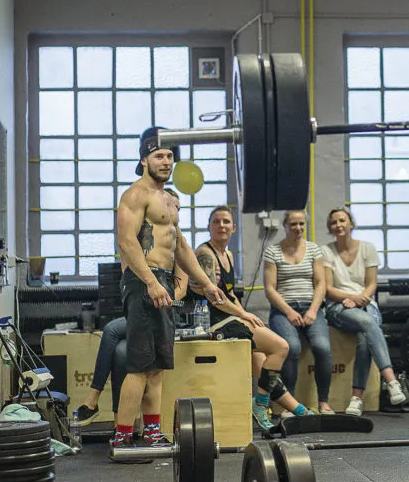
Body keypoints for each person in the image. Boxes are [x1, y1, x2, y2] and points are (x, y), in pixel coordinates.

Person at [112, 128, 225, 453]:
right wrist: (149, 281)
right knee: (139, 365)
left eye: (170, 156)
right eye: (159, 155)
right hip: (143, 281)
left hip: (161, 280)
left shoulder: (167, 200)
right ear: (144, 158)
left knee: (157, 366)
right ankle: (120, 439)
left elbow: (179, 246)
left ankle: (151, 433)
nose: (165, 161)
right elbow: (127, 242)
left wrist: (205, 282)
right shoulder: (136, 194)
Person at [191, 206, 313, 430]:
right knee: (281, 347)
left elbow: (228, 294)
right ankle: (260, 405)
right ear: (209, 227)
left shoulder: (227, 255)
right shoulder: (205, 254)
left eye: (226, 221)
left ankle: (299, 411)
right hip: (211, 321)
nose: (221, 226)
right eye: (216, 222)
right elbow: (215, 298)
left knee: (262, 364)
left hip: (228, 316)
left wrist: (248, 316)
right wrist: (243, 314)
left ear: (234, 228)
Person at [75, 188, 189, 427]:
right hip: (143, 303)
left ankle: (99, 403)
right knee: (118, 349)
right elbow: (128, 260)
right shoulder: (142, 240)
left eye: (177, 208)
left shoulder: (176, 245)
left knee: (117, 338)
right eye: (170, 207)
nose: (173, 212)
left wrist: (167, 298)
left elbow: (181, 288)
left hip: (165, 307)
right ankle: (121, 427)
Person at [321, 207, 406, 416]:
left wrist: (360, 299)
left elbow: (371, 284)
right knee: (369, 324)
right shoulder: (326, 251)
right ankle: (392, 381)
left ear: (351, 223)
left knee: (364, 339)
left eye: (342, 220)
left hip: (365, 303)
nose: (338, 225)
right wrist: (348, 299)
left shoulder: (368, 248)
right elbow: (329, 289)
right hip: (338, 306)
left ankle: (356, 399)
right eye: (334, 222)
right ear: (330, 227)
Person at [263, 210, 334, 414]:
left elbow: (321, 283)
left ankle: (323, 401)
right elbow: (270, 289)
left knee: (322, 347)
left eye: (302, 224)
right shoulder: (273, 251)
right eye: (293, 224)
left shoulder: (314, 250)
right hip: (282, 310)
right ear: (285, 226)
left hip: (311, 307)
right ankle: (290, 405)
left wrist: (313, 310)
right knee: (291, 348)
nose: (298, 228)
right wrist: (288, 312)